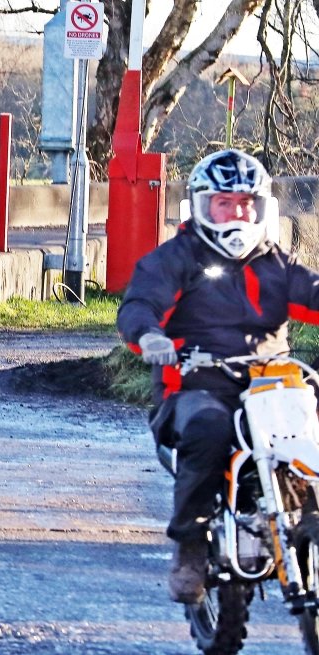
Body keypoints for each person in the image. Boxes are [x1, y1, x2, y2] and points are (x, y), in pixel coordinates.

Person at [117, 148, 319, 605]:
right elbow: (140, 304)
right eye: (224, 202)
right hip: (196, 384)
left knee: (311, 426)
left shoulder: (275, 263)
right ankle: (190, 546)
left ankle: (305, 514)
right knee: (209, 430)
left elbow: (312, 294)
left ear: (262, 208)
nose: (236, 212)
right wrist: (149, 337)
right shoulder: (176, 257)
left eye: (246, 202)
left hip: (271, 384)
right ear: (202, 205)